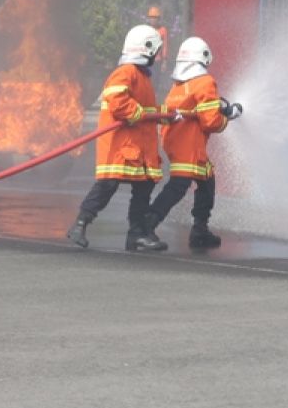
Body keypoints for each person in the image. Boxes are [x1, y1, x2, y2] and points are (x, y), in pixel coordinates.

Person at [66, 25, 168, 252]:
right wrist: (139, 113)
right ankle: (80, 225)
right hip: (119, 146)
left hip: (135, 147)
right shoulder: (126, 72)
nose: (158, 56)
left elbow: (147, 108)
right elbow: (117, 100)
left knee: (144, 187)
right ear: (147, 49)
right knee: (107, 186)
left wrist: (166, 114)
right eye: (156, 51)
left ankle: (136, 235)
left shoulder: (142, 77)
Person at [143, 37, 242, 250]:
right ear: (204, 58)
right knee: (178, 186)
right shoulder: (205, 82)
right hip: (189, 144)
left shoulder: (178, 85)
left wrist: (219, 109)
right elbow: (210, 122)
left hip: (175, 140)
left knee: (207, 181)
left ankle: (200, 230)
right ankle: (147, 225)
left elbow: (197, 110)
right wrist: (229, 116)